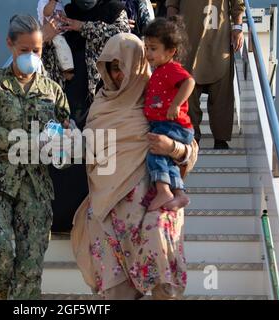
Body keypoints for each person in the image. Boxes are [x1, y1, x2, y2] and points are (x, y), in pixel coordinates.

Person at [71, 33, 198, 300]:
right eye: (113, 67)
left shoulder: (157, 94)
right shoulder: (101, 106)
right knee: (116, 288)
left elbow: (190, 149)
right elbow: (95, 163)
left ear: (138, 63)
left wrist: (171, 148)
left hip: (155, 203)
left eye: (123, 66)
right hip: (110, 208)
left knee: (160, 251)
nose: (118, 75)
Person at [0, 14, 70, 300]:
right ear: (9, 44)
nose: (31, 56)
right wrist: (37, 141)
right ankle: (4, 292)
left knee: (31, 267)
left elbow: (65, 140)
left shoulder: (53, 92)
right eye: (24, 50)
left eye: (37, 50)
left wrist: (65, 145)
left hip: (36, 187)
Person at [42, 0, 131, 233]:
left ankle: (96, 223)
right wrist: (47, 37)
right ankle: (64, 220)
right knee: (67, 162)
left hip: (103, 101)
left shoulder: (114, 10)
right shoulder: (66, 12)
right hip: (69, 98)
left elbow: (123, 38)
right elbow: (48, 58)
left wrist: (83, 26)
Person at [166, 0, 245, 149]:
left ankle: (220, 139)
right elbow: (172, 5)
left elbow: (238, 4)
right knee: (188, 90)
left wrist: (238, 27)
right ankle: (192, 136)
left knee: (222, 92)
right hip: (188, 40)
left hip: (219, 40)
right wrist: (171, 31)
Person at [143, 17, 195, 211]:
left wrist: (175, 105)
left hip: (172, 125)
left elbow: (189, 82)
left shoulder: (170, 69)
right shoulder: (159, 71)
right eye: (146, 48)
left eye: (153, 48)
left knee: (155, 153)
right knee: (167, 160)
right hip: (166, 124)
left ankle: (163, 190)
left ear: (171, 51)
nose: (148, 53)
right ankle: (179, 194)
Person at [37, 0, 75, 80]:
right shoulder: (43, 2)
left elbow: (63, 14)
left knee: (65, 50)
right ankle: (67, 70)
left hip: (62, 31)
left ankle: (65, 70)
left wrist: (65, 19)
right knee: (61, 49)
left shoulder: (60, 3)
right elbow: (47, 13)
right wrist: (53, 1)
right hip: (53, 34)